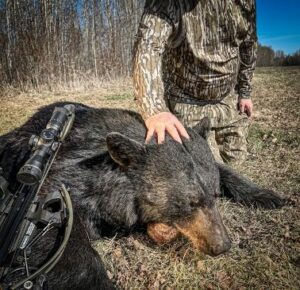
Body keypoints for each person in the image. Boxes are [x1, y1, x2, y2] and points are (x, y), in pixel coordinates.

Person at [133, 0, 257, 165]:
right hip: (185, 100)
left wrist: (245, 92)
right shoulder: (169, 3)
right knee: (198, 170)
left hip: (228, 99)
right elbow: (148, 45)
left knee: (238, 161)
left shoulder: (245, 3)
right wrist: (154, 109)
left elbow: (249, 46)